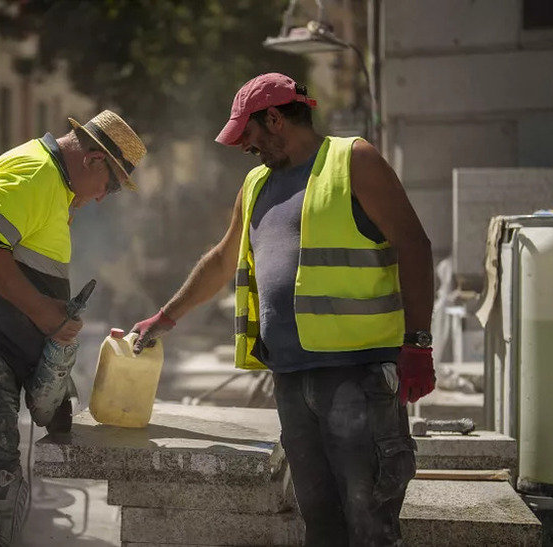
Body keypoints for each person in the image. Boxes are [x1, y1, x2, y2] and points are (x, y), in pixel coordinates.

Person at [131, 73, 434, 546]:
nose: (244, 147)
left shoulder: (353, 160)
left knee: (369, 523)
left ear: (274, 118)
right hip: (292, 380)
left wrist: (418, 343)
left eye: (248, 134)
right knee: (320, 525)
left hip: (357, 378)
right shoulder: (255, 183)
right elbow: (222, 259)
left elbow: (414, 245)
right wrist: (165, 316)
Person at [0, 110, 147, 546]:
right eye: (110, 185)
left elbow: (14, 267)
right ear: (93, 160)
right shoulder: (36, 173)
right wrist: (42, 312)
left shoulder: (52, 185)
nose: (104, 198)